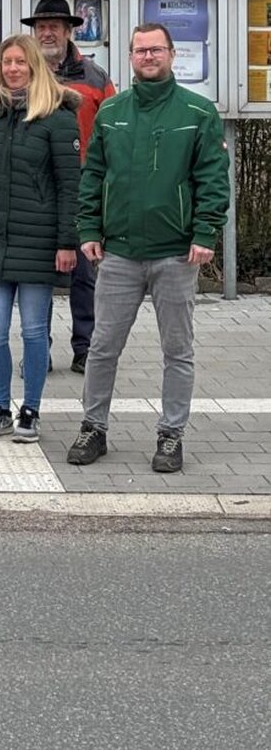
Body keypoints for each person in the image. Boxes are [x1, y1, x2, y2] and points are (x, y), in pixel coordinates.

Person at [67, 23, 230, 474]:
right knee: (102, 347)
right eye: (140, 50)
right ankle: (93, 427)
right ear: (131, 56)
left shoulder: (197, 112)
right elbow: (93, 175)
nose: (148, 57)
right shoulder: (113, 111)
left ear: (172, 54)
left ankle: (171, 434)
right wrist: (88, 229)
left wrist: (204, 234)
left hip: (176, 254)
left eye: (156, 49)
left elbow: (213, 180)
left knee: (177, 350)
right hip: (118, 252)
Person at [0, 34, 81, 444]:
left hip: (39, 244)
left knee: (33, 332)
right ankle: (0, 409)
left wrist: (68, 242)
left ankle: (31, 410)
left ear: (35, 67)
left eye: (20, 62)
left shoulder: (58, 119)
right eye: (6, 62)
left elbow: (70, 187)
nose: (12, 69)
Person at [23, 0, 116, 370]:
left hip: (82, 184)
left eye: (54, 27)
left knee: (84, 272)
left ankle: (86, 349)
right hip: (35, 187)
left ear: (68, 31)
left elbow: (113, 132)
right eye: (41, 27)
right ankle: (37, 351)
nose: (47, 33)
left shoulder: (95, 77)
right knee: (35, 275)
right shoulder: (22, 74)